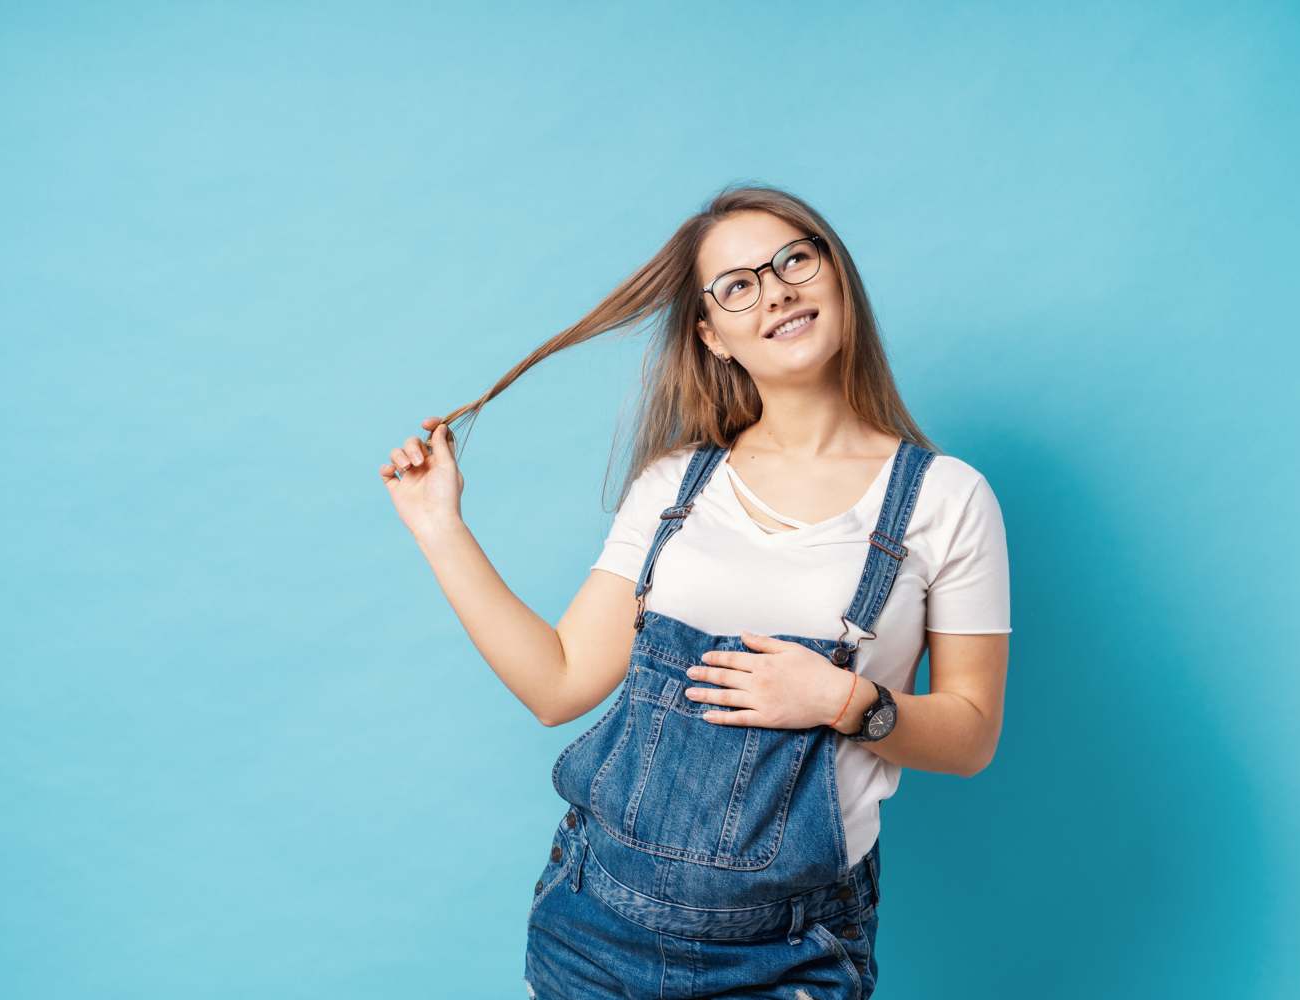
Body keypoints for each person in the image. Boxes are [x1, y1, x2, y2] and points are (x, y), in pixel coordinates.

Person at [378, 184, 1011, 999]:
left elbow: (972, 736)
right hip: (595, 930)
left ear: (836, 278)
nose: (776, 289)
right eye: (738, 285)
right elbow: (558, 683)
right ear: (713, 335)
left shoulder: (946, 499)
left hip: (788, 954)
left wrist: (844, 699)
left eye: (795, 259)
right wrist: (440, 527)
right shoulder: (675, 486)